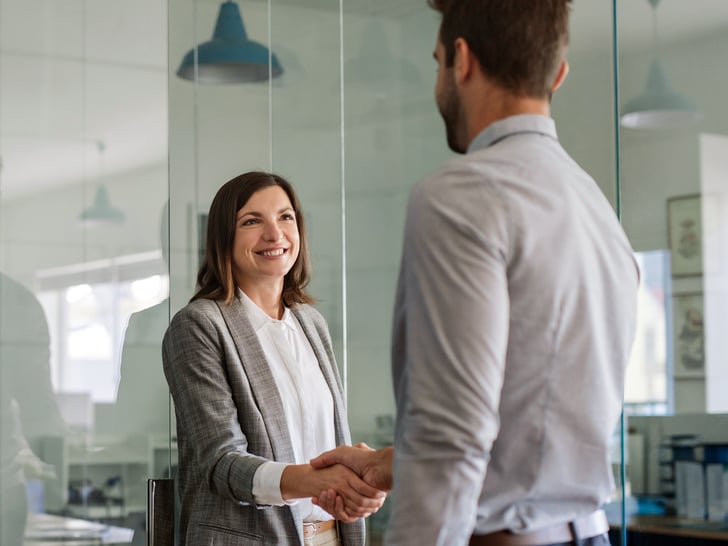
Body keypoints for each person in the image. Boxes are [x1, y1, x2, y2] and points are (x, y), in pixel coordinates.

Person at [310, 1, 639, 545]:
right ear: (557, 74)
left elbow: (451, 437)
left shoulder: (460, 197)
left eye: (438, 60)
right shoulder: (596, 207)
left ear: (460, 60)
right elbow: (540, 412)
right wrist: (399, 461)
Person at [162, 171, 385, 546]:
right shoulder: (198, 325)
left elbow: (316, 442)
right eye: (252, 221)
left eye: (286, 217)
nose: (274, 233)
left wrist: (355, 479)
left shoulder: (310, 323)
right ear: (223, 238)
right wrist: (318, 480)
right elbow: (221, 463)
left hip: (329, 537)